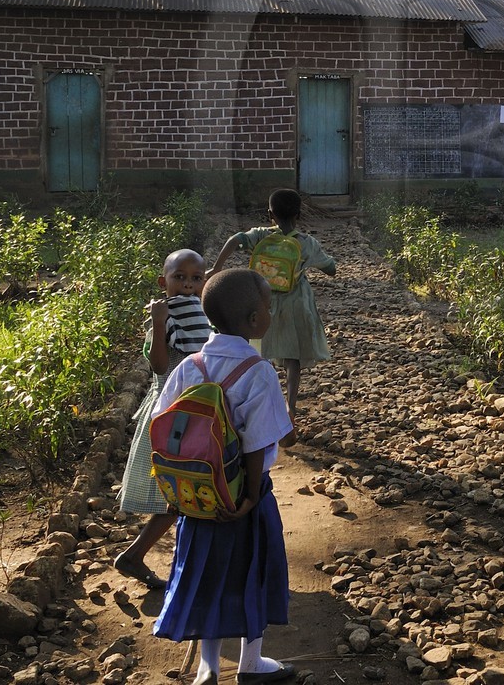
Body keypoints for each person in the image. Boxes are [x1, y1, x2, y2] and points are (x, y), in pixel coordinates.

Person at [153, 268, 295, 685]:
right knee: (253, 573)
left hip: (197, 498)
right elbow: (256, 445)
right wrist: (248, 497)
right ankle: (251, 663)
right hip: (244, 499)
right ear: (253, 320)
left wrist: (174, 492)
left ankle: (208, 667)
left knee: (206, 576)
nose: (270, 313)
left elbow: (164, 428)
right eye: (268, 306)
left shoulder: (190, 366)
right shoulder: (258, 371)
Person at [115, 248, 212, 588]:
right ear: (163, 282)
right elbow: (158, 366)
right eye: (179, 277)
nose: (187, 285)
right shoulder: (163, 318)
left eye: (196, 279)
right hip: (170, 416)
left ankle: (138, 555)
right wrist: (158, 323)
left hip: (195, 412)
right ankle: (137, 555)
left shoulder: (202, 316)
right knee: (180, 493)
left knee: (186, 493)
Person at [211, 189, 336, 418]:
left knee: (260, 352)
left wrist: (216, 268)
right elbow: (331, 269)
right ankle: (291, 405)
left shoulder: (261, 235)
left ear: (270, 214)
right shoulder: (306, 243)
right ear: (299, 214)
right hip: (295, 304)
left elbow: (235, 240)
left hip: (261, 302)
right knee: (293, 356)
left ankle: (261, 399)